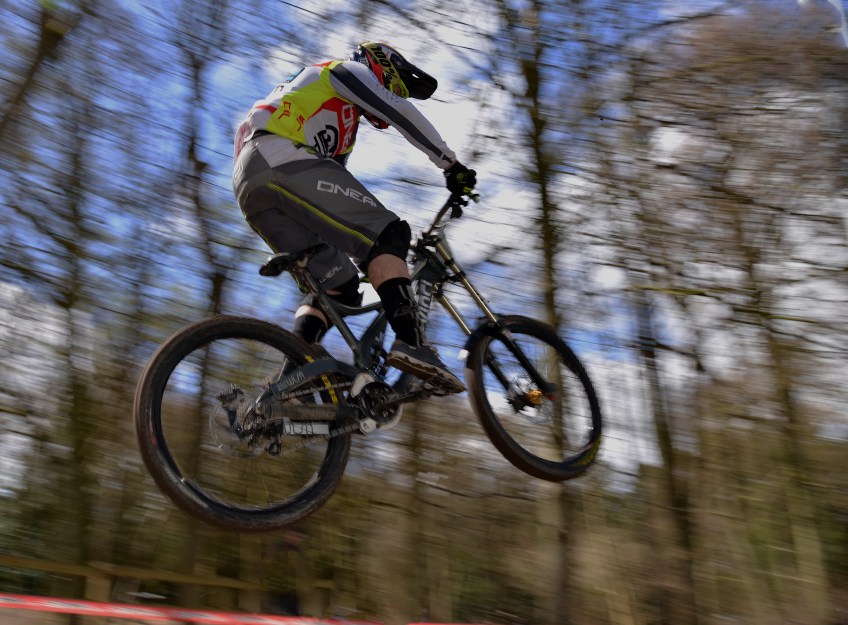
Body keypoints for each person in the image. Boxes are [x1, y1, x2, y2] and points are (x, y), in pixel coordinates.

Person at [232, 41, 477, 394]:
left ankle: (289, 383)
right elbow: (399, 111)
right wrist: (450, 164)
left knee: (341, 287)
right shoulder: (342, 71)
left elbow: (335, 207)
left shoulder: (340, 128)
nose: (392, 94)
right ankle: (411, 343)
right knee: (389, 234)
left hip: (252, 185)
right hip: (278, 157)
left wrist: (366, 255)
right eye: (392, 85)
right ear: (380, 66)